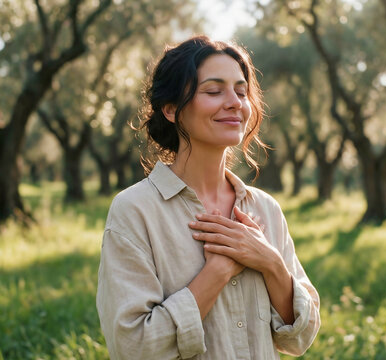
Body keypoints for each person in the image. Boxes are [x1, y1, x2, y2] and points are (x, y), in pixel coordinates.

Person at [96, 35, 320, 359]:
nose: (234, 103)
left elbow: (300, 338)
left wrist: (270, 262)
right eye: (214, 91)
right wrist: (218, 272)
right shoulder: (135, 211)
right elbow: (134, 347)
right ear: (171, 108)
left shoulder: (265, 209)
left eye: (241, 92)